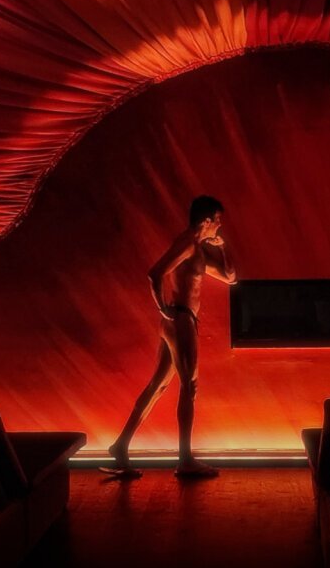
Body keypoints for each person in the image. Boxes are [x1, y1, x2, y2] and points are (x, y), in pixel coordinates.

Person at [101, 195, 238, 479]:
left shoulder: (197, 249)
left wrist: (223, 247)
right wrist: (162, 307)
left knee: (158, 386)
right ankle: (185, 460)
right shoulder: (188, 243)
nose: (220, 226)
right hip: (181, 318)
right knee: (190, 386)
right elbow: (155, 273)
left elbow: (230, 277)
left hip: (179, 320)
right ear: (206, 220)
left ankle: (120, 445)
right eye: (218, 221)